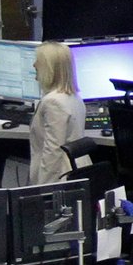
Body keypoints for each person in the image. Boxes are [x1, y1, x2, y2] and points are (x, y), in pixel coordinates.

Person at [29, 41, 86, 183]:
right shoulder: (74, 97)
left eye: (38, 62)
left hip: (59, 178)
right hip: (76, 172)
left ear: (49, 68)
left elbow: (52, 153)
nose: (34, 65)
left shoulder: (53, 102)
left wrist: (42, 191)